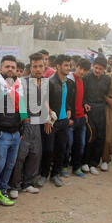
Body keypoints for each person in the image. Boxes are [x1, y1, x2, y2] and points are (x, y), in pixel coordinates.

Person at [0, 55, 27, 209]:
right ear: (0, 68)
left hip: (15, 132)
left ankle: (1, 192)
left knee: (9, 165)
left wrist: (22, 128)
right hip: (0, 133)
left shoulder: (18, 83)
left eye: (13, 67)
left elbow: (22, 108)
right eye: (7, 66)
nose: (10, 69)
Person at [8, 53, 45, 198]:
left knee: (35, 154)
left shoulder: (44, 83)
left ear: (44, 67)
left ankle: (28, 183)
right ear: (30, 67)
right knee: (20, 156)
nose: (38, 69)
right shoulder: (22, 82)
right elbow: (18, 103)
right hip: (25, 122)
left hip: (38, 123)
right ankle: (15, 186)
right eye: (35, 66)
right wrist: (22, 123)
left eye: (40, 66)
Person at [37, 55, 74, 187]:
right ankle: (43, 174)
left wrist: (69, 110)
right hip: (51, 121)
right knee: (48, 149)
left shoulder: (69, 83)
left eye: (69, 65)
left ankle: (55, 174)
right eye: (65, 65)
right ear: (58, 66)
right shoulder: (49, 82)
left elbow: (68, 100)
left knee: (61, 149)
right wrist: (48, 119)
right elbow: (44, 102)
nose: (68, 68)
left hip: (63, 121)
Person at [80, 56, 111, 174]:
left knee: (100, 136)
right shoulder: (86, 77)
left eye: (100, 69)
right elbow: (81, 94)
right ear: (93, 66)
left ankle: (94, 163)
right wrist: (84, 104)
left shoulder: (107, 79)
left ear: (104, 69)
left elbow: (106, 94)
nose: (97, 70)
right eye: (96, 68)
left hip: (101, 109)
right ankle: (85, 162)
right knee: (90, 135)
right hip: (89, 109)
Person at [65, 58, 91, 177]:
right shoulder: (69, 80)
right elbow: (67, 100)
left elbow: (82, 97)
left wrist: (85, 109)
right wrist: (68, 116)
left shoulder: (84, 81)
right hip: (72, 118)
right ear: (76, 66)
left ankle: (76, 167)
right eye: (80, 68)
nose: (81, 72)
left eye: (85, 70)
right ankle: (63, 166)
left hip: (81, 117)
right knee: (68, 144)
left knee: (80, 145)